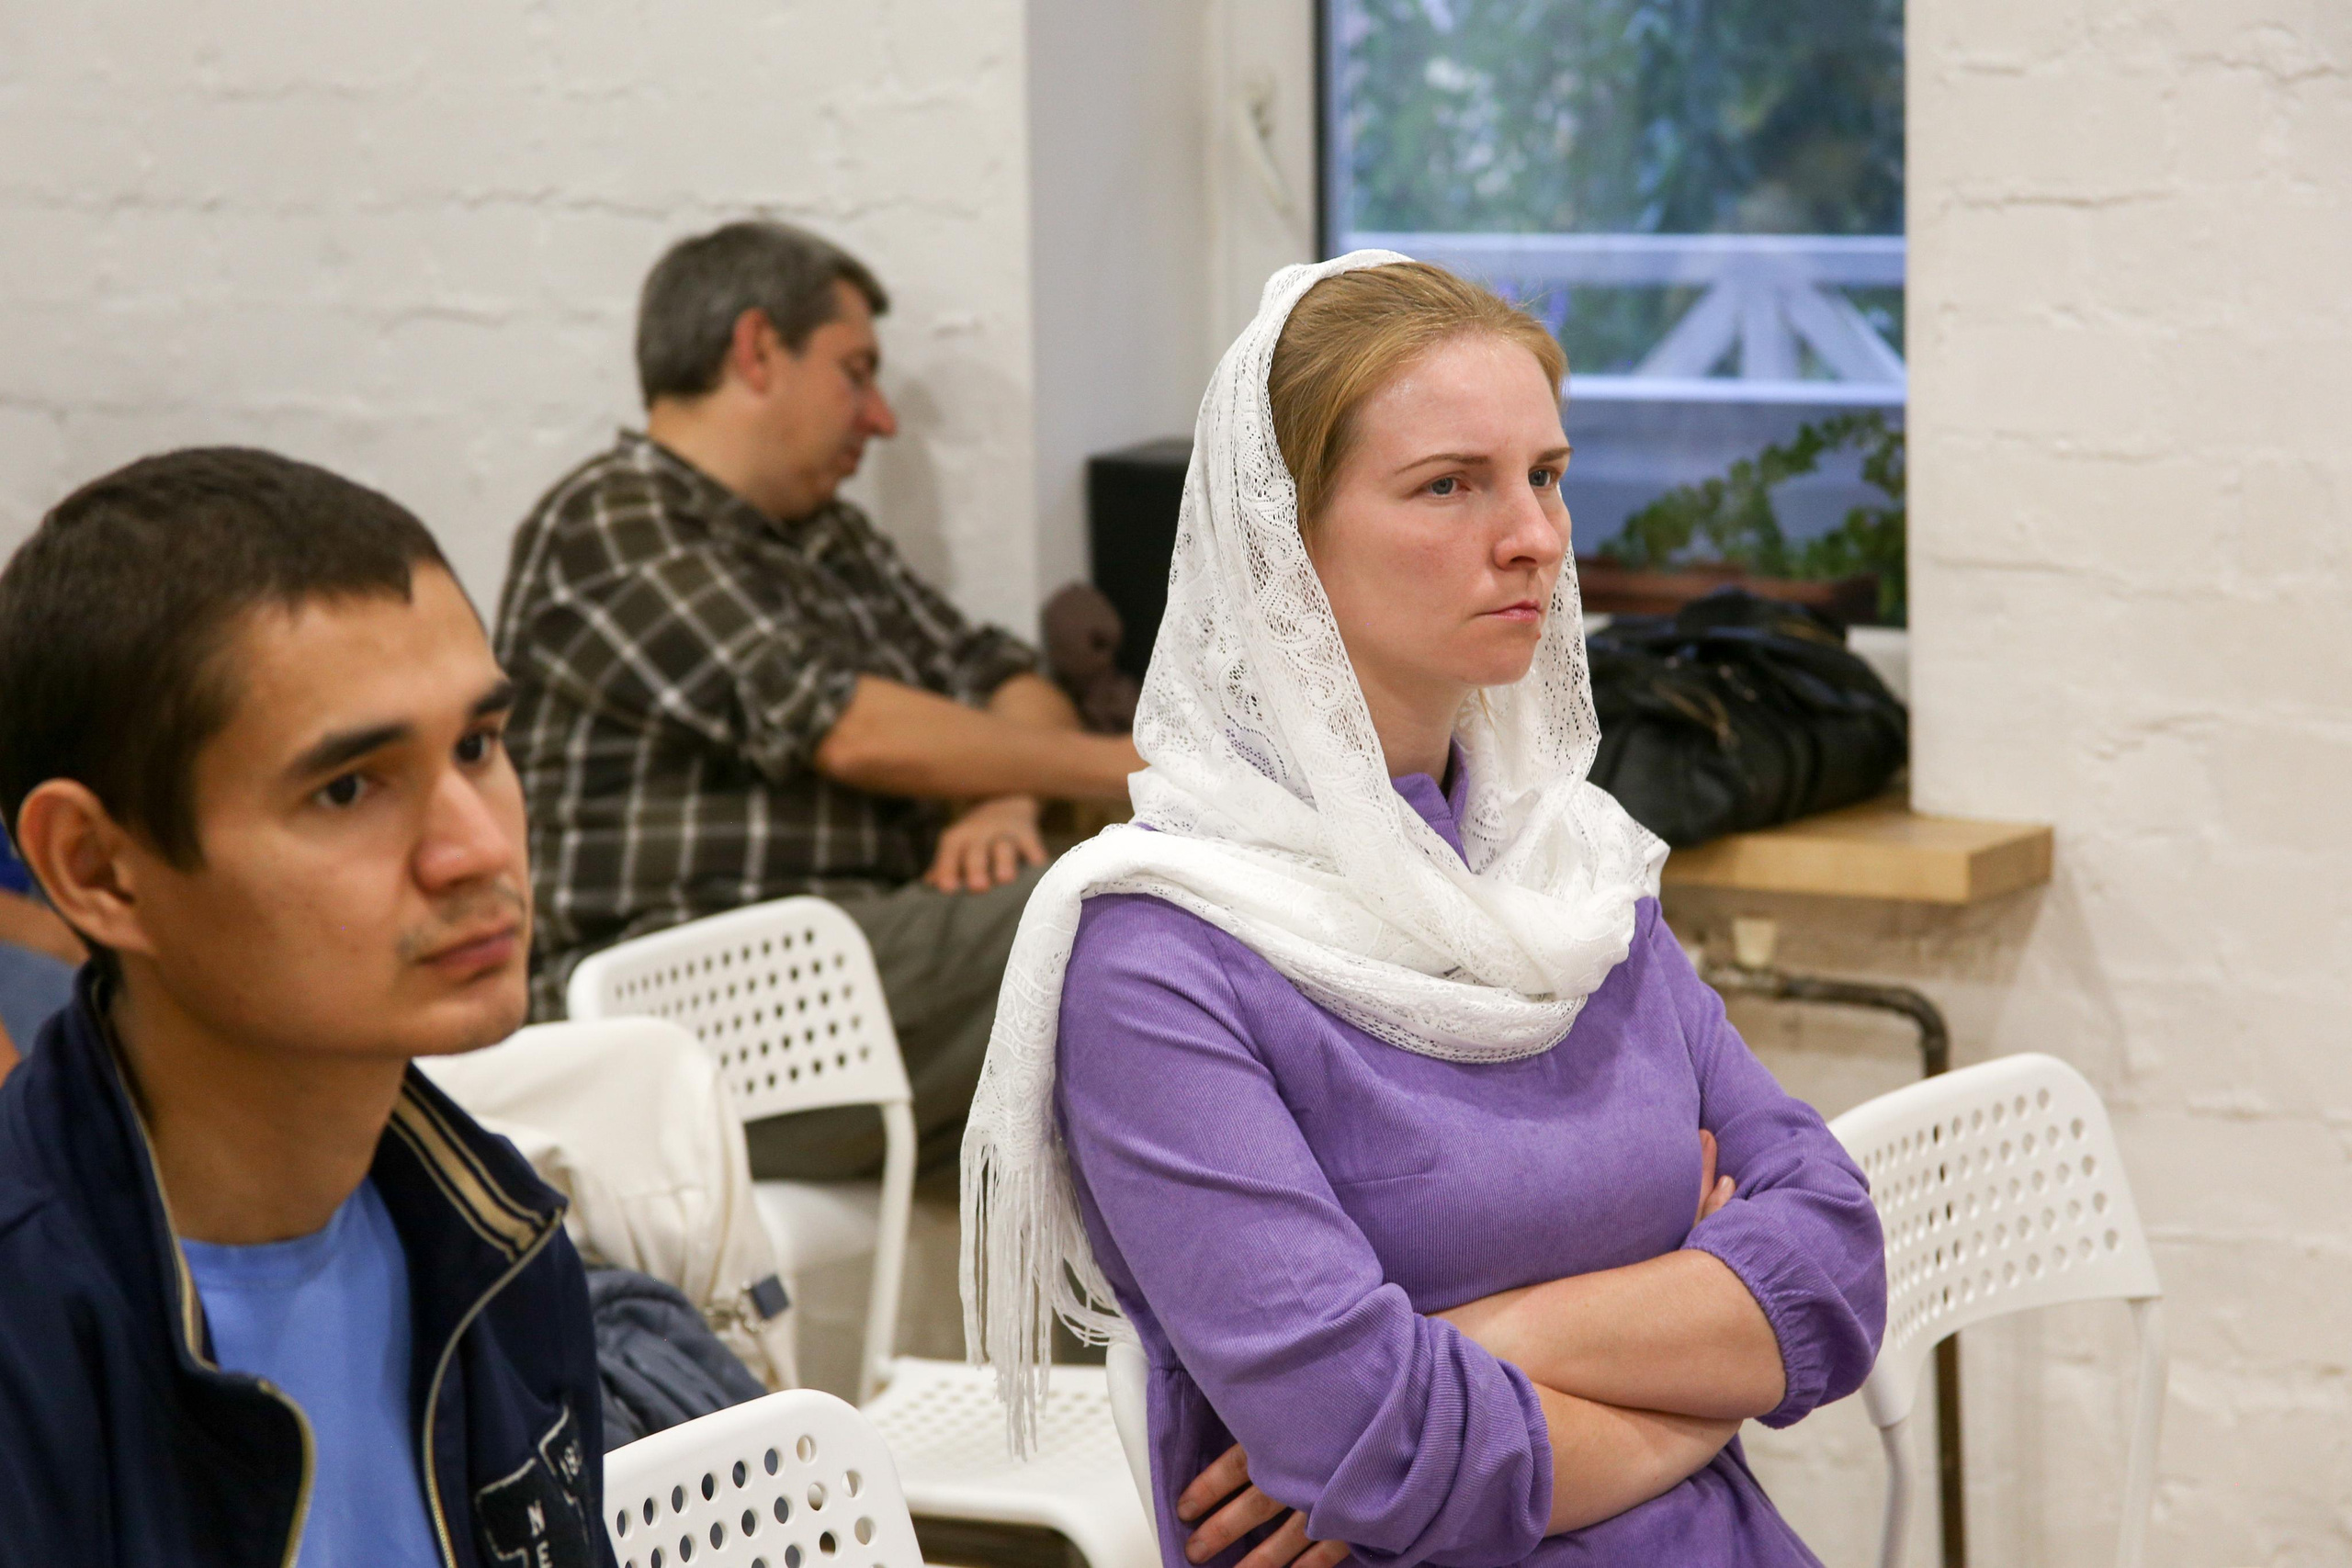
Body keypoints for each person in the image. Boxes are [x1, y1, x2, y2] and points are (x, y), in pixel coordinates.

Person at [960, 258, 1886, 1566]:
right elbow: (1381, 1453)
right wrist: (1708, 1371)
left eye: (1546, 474)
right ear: (1281, 540)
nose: (1536, 537)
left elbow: (1837, 1263)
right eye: (1451, 483)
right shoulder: (1159, 955)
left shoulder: (1564, 873)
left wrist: (1480, 1341)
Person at [0, 449, 616, 1568]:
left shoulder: (502, 1244)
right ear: (95, 869)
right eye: (348, 788)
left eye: (478, 746)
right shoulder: (30, 1335)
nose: (478, 849)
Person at [497, 220, 1139, 1180]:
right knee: (1133, 913)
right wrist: (1157, 773)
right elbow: (851, 729)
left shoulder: (833, 542)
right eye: (856, 371)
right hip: (695, 1002)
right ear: (757, 351)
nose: (879, 418)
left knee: (1135, 1037)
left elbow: (1008, 683)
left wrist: (1001, 799)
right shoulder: (611, 518)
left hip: (853, 958)